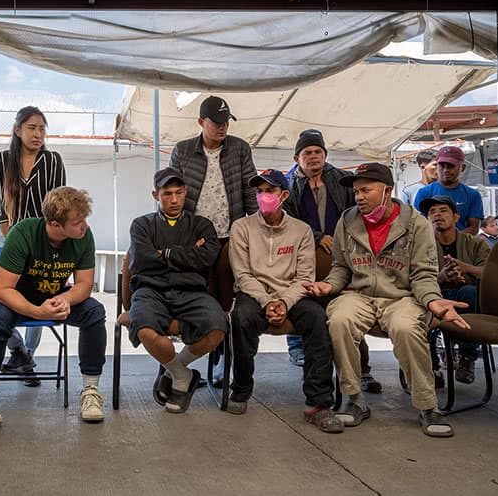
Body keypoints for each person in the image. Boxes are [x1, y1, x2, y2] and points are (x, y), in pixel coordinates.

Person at [304, 162, 470, 438]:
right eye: (356, 191)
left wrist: (433, 302)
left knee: (406, 328)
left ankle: (428, 406)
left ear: (387, 191)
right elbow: (341, 267)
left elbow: (423, 275)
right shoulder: (347, 220)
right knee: (340, 319)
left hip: (402, 297)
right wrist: (329, 286)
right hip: (360, 295)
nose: (358, 197)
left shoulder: (416, 224)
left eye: (365, 190)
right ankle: (353, 398)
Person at [0, 186, 106, 427]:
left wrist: (67, 299)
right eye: (77, 222)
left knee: (94, 312)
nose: (83, 226)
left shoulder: (84, 236)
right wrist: (37, 311)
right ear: (54, 224)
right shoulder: (23, 233)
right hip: (12, 294)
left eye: (84, 219)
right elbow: (3, 289)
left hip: (52, 293)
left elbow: (84, 284)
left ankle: (90, 391)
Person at [228, 169, 342, 432]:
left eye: (270, 191)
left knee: (316, 318)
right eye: (259, 192)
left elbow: (304, 276)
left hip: (293, 293)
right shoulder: (241, 227)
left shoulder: (301, 231)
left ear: (284, 195)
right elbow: (243, 275)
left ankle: (318, 403)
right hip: (255, 294)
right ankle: (242, 388)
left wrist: (285, 302)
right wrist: (267, 301)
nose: (264, 196)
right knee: (241, 318)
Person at [169, 95, 258, 386]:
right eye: (216, 122)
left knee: (226, 300)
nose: (222, 128)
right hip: (195, 239)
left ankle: (221, 359)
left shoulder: (240, 149)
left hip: (230, 235)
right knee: (197, 296)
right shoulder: (183, 151)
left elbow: (250, 191)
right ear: (201, 122)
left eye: (226, 122)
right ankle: (188, 357)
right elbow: (174, 194)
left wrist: (254, 230)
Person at [284, 130, 381, 395]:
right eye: (307, 153)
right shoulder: (288, 185)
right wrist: (317, 237)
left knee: (348, 308)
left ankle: (363, 371)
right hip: (303, 255)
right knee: (303, 301)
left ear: (325, 155)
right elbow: (286, 218)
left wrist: (341, 239)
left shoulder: (341, 179)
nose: (313, 157)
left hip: (343, 256)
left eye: (318, 152)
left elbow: (357, 213)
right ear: (297, 158)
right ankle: (300, 352)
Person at [127, 168, 228, 413]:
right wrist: (189, 253)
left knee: (217, 327)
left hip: (192, 291)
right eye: (167, 194)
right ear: (155, 195)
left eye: (179, 193)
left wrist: (166, 253)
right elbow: (142, 260)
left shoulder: (202, 225)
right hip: (150, 290)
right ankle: (182, 376)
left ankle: (176, 370)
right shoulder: (141, 225)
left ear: (186, 193)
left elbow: (207, 257)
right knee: (144, 328)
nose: (174, 199)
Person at [0, 106, 66, 386]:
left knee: (42, 295)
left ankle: (28, 360)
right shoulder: (2, 160)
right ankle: (18, 351)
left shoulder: (53, 161)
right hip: (8, 236)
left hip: (45, 240)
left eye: (42, 129)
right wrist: (13, 240)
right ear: (17, 130)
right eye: (32, 128)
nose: (38, 134)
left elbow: (59, 205)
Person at [423, 195, 489, 385]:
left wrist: (465, 268)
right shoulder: (420, 245)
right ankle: (432, 367)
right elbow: (411, 278)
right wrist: (441, 278)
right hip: (436, 298)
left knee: (470, 292)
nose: (437, 215)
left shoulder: (475, 243)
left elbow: (490, 272)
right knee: (417, 307)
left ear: (456, 217)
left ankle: (467, 358)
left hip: (465, 299)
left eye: (443, 210)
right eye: (432, 212)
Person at [414, 146, 483, 235]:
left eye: (451, 166)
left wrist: (452, 240)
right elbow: (418, 226)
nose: (446, 170)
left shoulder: (472, 195)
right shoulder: (424, 193)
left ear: (462, 167)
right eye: (442, 166)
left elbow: (473, 228)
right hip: (432, 246)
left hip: (461, 246)